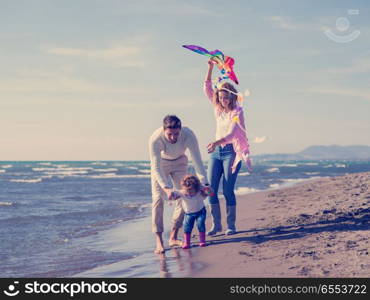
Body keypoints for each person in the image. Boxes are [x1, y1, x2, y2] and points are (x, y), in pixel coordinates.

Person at [149, 115, 209, 254]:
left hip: (180, 161)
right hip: (161, 164)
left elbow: (197, 160)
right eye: (170, 134)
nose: (173, 137)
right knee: (158, 199)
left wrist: (204, 184)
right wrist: (166, 188)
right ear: (164, 130)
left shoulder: (188, 135)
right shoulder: (155, 139)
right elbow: (156, 167)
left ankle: (173, 237)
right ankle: (159, 241)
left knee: (185, 195)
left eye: (176, 133)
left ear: (180, 130)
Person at [203, 59, 251, 236]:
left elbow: (232, 133)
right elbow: (207, 88)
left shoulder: (237, 111)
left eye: (226, 97)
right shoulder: (217, 108)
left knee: (228, 189)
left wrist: (216, 142)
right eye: (221, 97)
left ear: (232, 96)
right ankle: (216, 225)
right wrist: (209, 69)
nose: (223, 100)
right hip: (216, 154)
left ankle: (231, 224)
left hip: (231, 152)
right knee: (211, 190)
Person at [171, 174, 208, 249]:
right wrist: (170, 195)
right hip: (189, 214)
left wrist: (207, 188)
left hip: (200, 211)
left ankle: (202, 241)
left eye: (191, 190)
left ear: (196, 188)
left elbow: (211, 193)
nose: (188, 192)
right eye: (187, 190)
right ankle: (187, 243)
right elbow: (173, 196)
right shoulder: (182, 192)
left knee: (200, 224)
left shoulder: (199, 191)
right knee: (187, 227)